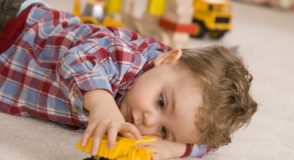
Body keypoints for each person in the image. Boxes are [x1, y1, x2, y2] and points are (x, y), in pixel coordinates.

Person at [0, 0, 258, 159]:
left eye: (164, 131)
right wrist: (102, 104)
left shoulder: (180, 108)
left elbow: (205, 142)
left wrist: (172, 148)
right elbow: (80, 60)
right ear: (166, 60)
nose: (150, 121)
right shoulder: (128, 57)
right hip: (15, 27)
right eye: (160, 102)